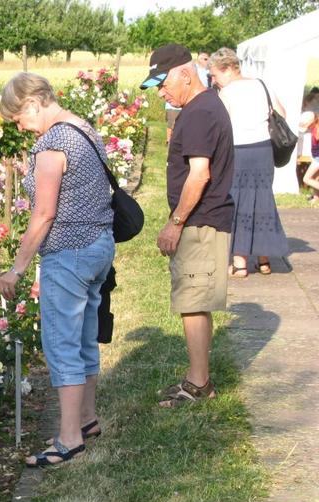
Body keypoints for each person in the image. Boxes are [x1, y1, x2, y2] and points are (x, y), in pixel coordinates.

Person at [0, 72, 115, 467]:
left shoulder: (52, 142)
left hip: (69, 251)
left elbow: (44, 214)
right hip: (98, 245)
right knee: (83, 338)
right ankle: (86, 419)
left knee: (61, 344)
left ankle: (68, 440)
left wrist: (16, 269)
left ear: (32, 104)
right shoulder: (83, 128)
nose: (19, 126)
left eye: (17, 118)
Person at [140, 44, 234, 408]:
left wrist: (175, 223)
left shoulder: (198, 113)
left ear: (184, 73)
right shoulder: (204, 107)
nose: (161, 93)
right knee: (195, 302)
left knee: (193, 302)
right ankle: (199, 379)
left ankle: (198, 385)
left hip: (199, 221)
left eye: (163, 84)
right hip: (203, 219)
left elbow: (199, 174)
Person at [209, 47, 289, 277]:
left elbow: (219, 128)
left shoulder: (227, 93)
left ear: (226, 69)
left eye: (215, 74)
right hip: (264, 151)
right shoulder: (261, 85)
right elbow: (281, 112)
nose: (213, 80)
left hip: (239, 151)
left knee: (239, 203)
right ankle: (264, 261)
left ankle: (240, 262)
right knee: (263, 201)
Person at [300, 111, 319, 203]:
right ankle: (316, 198)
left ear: (311, 123)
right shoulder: (315, 127)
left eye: (307, 126)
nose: (307, 128)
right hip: (316, 157)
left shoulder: (318, 130)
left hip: (318, 159)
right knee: (315, 178)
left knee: (306, 179)